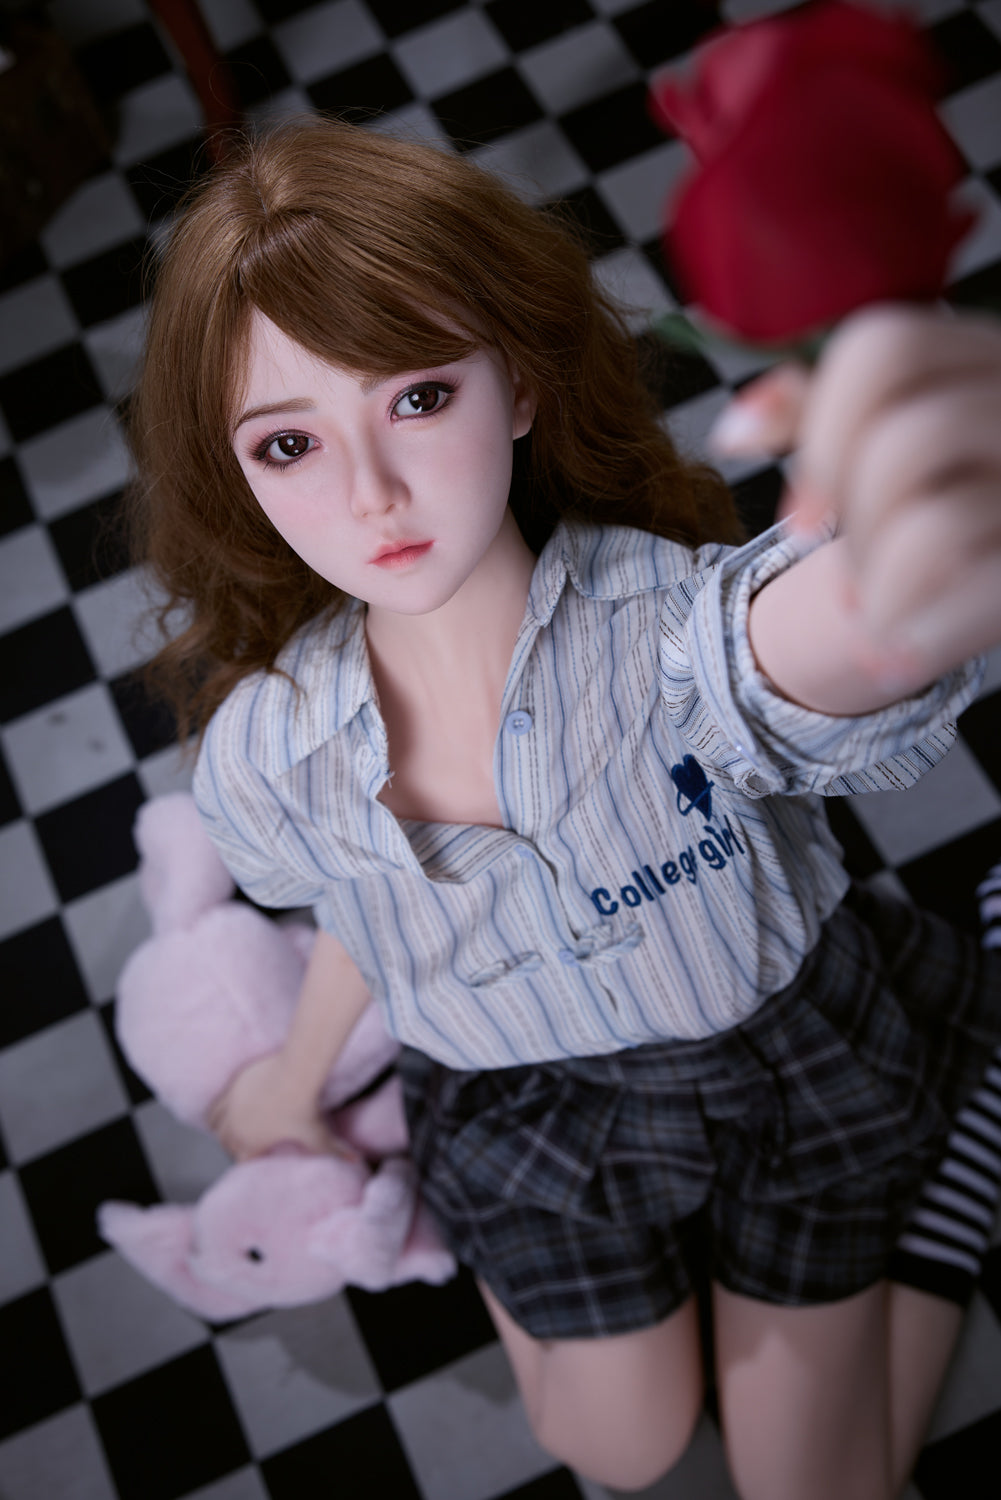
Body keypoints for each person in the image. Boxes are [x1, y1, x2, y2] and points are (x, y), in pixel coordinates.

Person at [129, 117, 1001, 1500]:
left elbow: (811, 640)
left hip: (783, 1063)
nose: (370, 494)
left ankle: (947, 1193)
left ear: (519, 384)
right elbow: (376, 909)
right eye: (289, 443)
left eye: (419, 398)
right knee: (619, 1446)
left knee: (810, 1489)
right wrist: (294, 1079)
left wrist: (923, 518)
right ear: (238, 469)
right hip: (525, 1099)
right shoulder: (266, 759)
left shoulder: (668, 632)